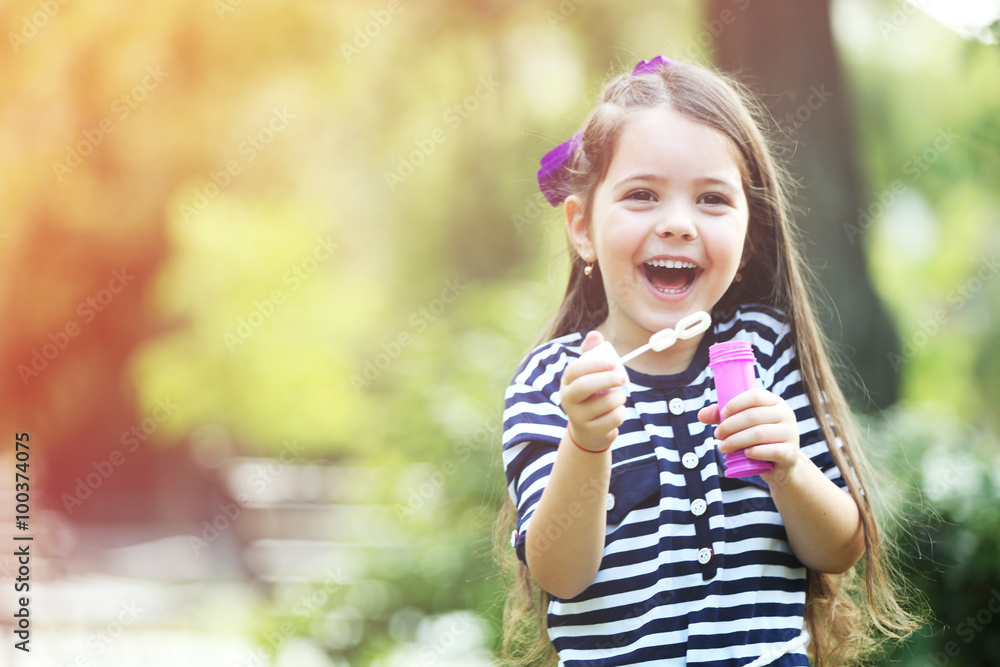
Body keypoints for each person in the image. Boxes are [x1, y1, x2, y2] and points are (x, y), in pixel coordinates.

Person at [497, 56, 917, 666]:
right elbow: (559, 574)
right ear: (582, 227)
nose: (677, 224)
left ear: (748, 235)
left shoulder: (767, 351)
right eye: (642, 195)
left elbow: (840, 547)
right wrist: (586, 445)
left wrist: (790, 469)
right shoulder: (552, 384)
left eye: (712, 199)